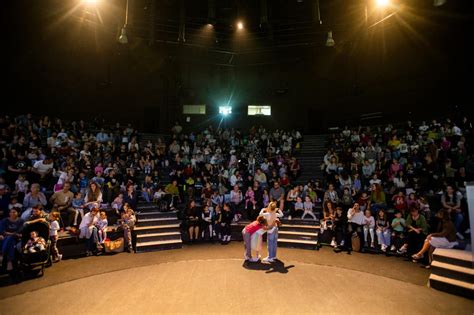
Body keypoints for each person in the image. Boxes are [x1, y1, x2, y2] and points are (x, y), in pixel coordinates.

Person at [0, 208, 23, 272]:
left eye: (14, 212)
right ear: (9, 213)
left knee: (10, 238)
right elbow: (2, 231)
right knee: (10, 240)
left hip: (17, 238)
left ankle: (2, 255)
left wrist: (12, 234)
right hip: (6, 238)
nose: (12, 213)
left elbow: (20, 231)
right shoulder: (5, 220)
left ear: (18, 213)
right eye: (11, 212)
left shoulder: (21, 221)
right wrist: (13, 234)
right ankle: (9, 261)